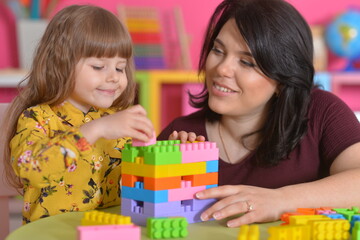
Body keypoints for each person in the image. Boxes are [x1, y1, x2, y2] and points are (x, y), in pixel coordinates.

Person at [158, 0, 360, 228]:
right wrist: (167, 171)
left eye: (246, 62)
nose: (222, 69)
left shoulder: (322, 113)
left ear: (282, 80)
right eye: (217, 50)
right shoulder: (179, 136)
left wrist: (281, 200)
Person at [2, 5, 154, 224]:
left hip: (108, 229)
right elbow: (29, 170)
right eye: (99, 66)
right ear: (61, 64)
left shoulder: (115, 120)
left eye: (120, 68)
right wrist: (94, 131)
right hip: (52, 232)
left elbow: (138, 182)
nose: (113, 77)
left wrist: (162, 154)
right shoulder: (37, 118)